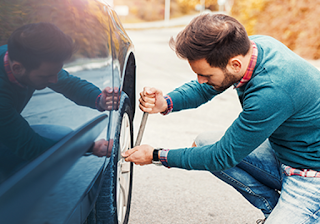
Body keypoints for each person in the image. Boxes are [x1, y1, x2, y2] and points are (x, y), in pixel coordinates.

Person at [123, 13, 320, 223]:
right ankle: (274, 210)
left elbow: (222, 156)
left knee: (216, 154)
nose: (200, 80)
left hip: (310, 174)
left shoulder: (271, 90)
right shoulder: (253, 49)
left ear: (234, 65)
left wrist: (155, 155)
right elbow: (206, 88)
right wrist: (166, 103)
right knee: (203, 143)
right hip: (284, 153)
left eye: (206, 75)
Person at [0, 22, 114, 180]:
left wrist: (101, 100)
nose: (54, 80)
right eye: (46, 76)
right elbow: (30, 146)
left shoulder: (20, 57)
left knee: (61, 136)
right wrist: (89, 147)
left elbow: (70, 84)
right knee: (53, 150)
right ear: (18, 68)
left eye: (56, 72)